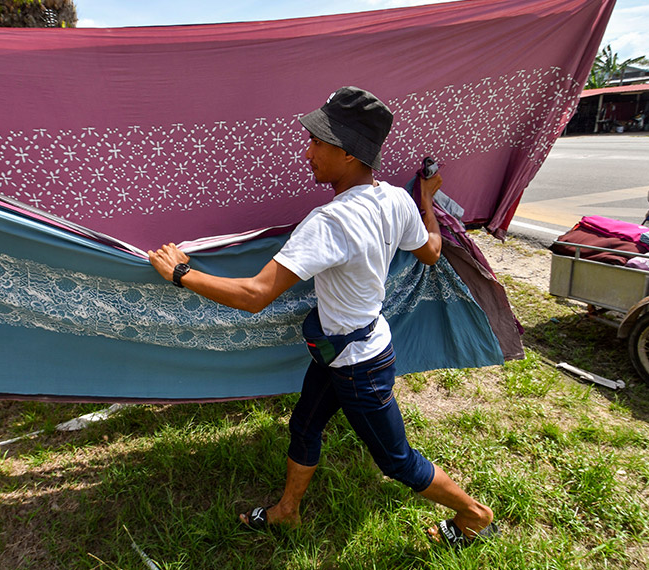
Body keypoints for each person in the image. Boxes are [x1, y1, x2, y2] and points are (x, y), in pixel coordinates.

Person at [148, 86, 497, 546]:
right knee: (305, 425)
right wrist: (426, 200)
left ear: (348, 153)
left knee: (396, 461)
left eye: (317, 142)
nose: (307, 152)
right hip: (341, 349)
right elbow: (431, 251)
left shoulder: (330, 222)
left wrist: (181, 274)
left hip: (359, 366)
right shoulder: (395, 200)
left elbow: (255, 295)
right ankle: (286, 512)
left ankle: (474, 515)